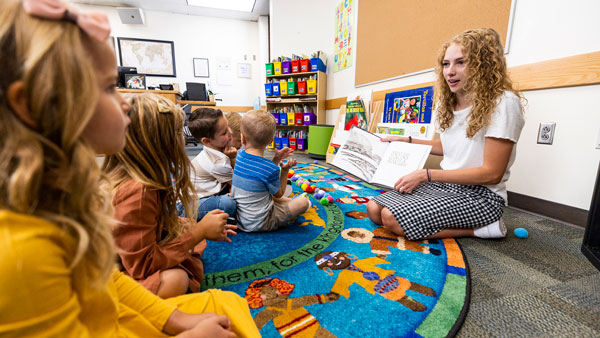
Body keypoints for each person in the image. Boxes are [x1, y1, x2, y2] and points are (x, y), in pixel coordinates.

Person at [0, 1, 259, 336]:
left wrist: (177, 321)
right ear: (34, 103)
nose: (125, 102)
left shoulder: (61, 199)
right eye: (109, 87)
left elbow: (109, 282)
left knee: (229, 310)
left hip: (115, 315)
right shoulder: (20, 254)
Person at [367, 28, 525, 240]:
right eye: (446, 64)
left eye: (461, 62)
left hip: (481, 196)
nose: (450, 71)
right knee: (374, 209)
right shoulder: (447, 103)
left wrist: (426, 175)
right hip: (446, 185)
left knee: (391, 218)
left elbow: (492, 173)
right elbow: (448, 147)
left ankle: (485, 228)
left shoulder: (503, 103)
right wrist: (407, 140)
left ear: (482, 66)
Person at [103, 95, 238, 298]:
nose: (183, 138)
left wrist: (192, 229)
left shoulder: (146, 179)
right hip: (113, 274)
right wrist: (198, 233)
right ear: (160, 142)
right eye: (177, 132)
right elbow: (141, 265)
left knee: (188, 227)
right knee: (177, 280)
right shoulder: (138, 191)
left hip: (126, 257)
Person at [231, 110, 310, 232]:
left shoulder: (239, 156)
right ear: (271, 141)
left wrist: (276, 159)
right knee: (303, 202)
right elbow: (278, 194)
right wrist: (284, 171)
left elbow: (261, 175)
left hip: (241, 219)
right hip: (263, 221)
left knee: (270, 195)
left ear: (242, 138)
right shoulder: (269, 168)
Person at [183, 107, 238, 221]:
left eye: (228, 127)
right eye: (224, 133)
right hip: (188, 206)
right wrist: (233, 158)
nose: (230, 132)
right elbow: (237, 186)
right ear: (207, 141)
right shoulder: (218, 162)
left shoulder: (212, 150)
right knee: (230, 203)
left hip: (199, 197)